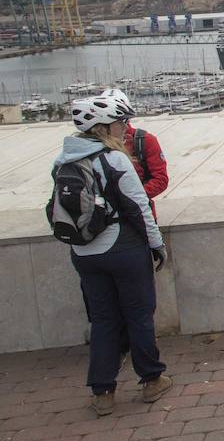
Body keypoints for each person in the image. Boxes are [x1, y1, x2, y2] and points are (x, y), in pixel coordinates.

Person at [58, 96, 173, 416]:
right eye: (120, 122)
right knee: (139, 314)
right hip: (123, 250)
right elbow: (139, 210)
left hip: (83, 253)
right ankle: (152, 380)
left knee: (103, 319)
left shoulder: (63, 160)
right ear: (102, 127)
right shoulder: (115, 159)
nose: (125, 128)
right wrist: (156, 245)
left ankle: (103, 391)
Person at [99, 88, 169, 216]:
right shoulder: (95, 144)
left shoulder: (144, 141)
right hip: (105, 216)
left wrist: (131, 196)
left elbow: (161, 179)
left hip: (139, 214)